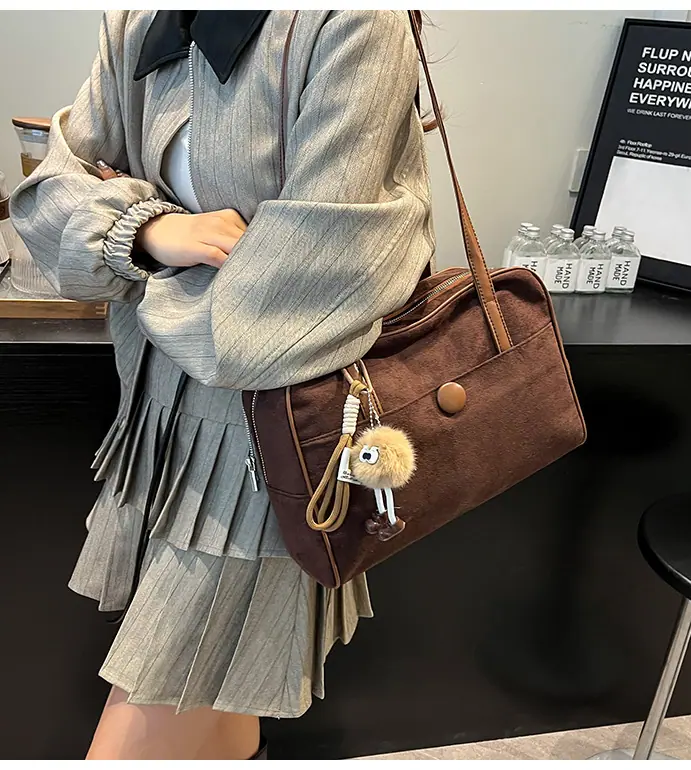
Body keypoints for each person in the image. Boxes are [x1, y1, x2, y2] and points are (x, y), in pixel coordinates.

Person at [10, 10, 434, 761]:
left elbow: (319, 271)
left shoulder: (353, 21)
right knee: (213, 703)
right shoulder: (144, 19)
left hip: (271, 438)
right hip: (157, 413)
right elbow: (47, 192)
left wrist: (136, 270)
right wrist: (146, 232)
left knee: (152, 716)